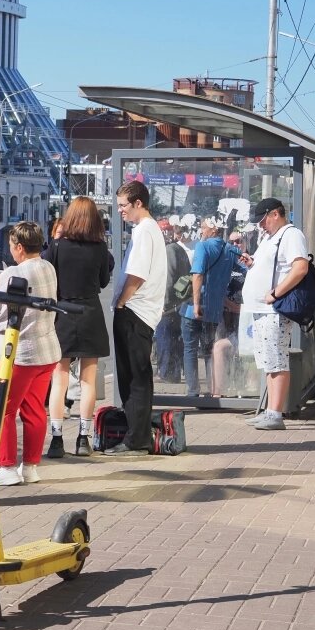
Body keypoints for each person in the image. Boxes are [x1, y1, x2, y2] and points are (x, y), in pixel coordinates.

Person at [0, 222, 61, 485]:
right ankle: (30, 466)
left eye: (11, 246)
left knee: (1, 409)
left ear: (18, 247)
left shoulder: (14, 274)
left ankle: (6, 466)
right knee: (34, 410)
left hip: (17, 354)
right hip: (46, 350)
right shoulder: (48, 267)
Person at [43, 197, 111, 458]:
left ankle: (57, 439)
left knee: (58, 380)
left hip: (62, 314)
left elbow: (49, 277)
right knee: (88, 381)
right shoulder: (100, 249)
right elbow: (103, 281)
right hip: (90, 313)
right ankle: (84, 439)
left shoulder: (58, 246)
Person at [107, 181, 167, 456]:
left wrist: (120, 301)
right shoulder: (149, 230)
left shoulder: (144, 231)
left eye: (123, 206)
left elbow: (137, 274)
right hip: (141, 312)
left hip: (135, 312)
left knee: (133, 378)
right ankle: (137, 436)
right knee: (136, 376)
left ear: (138, 203)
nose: (120, 211)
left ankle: (136, 439)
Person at [240, 198, 310, 431]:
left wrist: (276, 293)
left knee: (277, 359)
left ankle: (276, 412)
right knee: (268, 361)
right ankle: (270, 410)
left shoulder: (290, 234)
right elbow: (272, 266)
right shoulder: (271, 237)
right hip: (261, 308)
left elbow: (300, 267)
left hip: (273, 309)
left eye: (262, 220)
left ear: (274, 214)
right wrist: (252, 263)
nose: (261, 225)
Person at [180, 218, 234, 397]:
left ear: (213, 229)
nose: (201, 231)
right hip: (214, 310)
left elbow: (197, 276)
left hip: (195, 308)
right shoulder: (229, 249)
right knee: (209, 349)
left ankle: (193, 390)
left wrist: (196, 304)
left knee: (190, 348)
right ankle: (214, 390)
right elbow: (247, 268)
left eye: (203, 228)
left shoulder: (203, 247)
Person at [154, 224, 190, 385]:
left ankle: (167, 373)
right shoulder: (178, 249)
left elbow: (168, 280)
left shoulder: (169, 251)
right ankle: (173, 372)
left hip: (169, 306)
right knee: (174, 339)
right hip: (179, 302)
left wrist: (164, 303)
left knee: (165, 338)